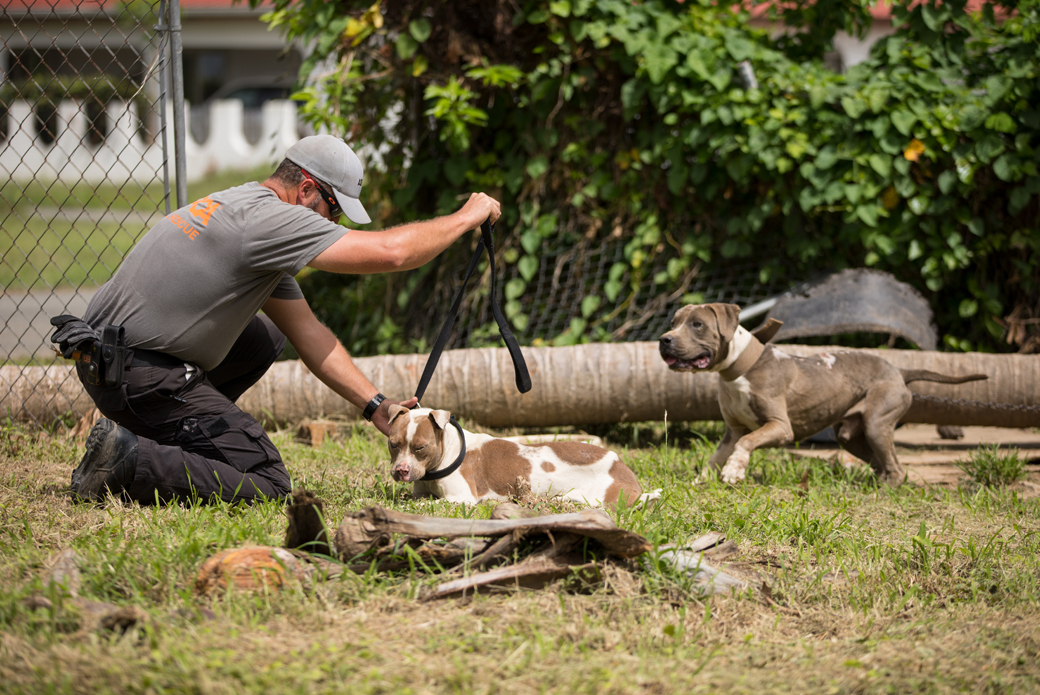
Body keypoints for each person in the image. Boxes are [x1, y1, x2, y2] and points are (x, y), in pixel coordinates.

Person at [50, 134, 501, 505]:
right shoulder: (272, 222)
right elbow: (393, 252)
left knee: (264, 337)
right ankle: (129, 459)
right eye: (333, 209)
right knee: (267, 481)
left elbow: (309, 334)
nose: (332, 221)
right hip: (138, 374)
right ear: (305, 190)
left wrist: (376, 406)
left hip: (110, 364)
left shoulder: (244, 210)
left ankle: (166, 439)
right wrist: (467, 217)